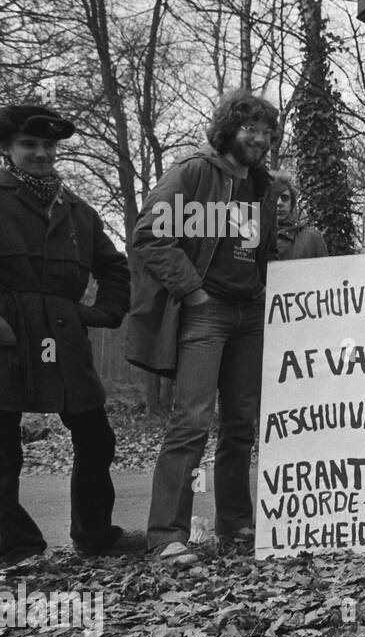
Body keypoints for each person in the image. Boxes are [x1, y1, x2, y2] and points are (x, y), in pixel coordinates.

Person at [127, 89, 279, 562]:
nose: (259, 138)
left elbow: (264, 251)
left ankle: (235, 524)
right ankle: (167, 535)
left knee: (241, 426)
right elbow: (150, 234)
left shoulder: (262, 186)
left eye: (267, 131)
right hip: (205, 312)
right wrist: (193, 290)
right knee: (192, 420)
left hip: (249, 315)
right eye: (250, 128)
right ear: (228, 129)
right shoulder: (193, 172)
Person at [0, 104, 144, 565]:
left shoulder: (77, 210)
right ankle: (16, 544)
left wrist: (106, 311)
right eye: (29, 145)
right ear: (7, 149)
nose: (41, 154)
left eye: (48, 146)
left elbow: (114, 266)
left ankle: (95, 534)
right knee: (2, 448)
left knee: (96, 436)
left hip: (64, 332)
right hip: (7, 333)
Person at [270, 172, 328, 260]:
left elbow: (325, 271)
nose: (279, 203)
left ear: (291, 204)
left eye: (284, 198)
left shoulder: (312, 238)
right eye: (274, 197)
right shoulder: (251, 238)